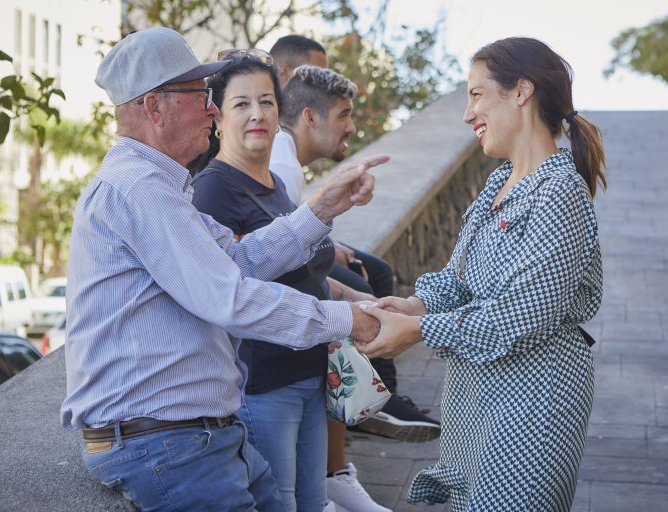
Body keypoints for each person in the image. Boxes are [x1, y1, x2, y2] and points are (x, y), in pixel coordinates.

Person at [62, 27, 387, 512]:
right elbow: (231, 297)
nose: (212, 108)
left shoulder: (159, 185)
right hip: (168, 447)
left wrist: (321, 208)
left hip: (191, 440)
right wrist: (347, 320)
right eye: (200, 95)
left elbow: (240, 260)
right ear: (153, 107)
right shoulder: (138, 188)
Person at [359, 37, 606, 511]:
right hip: (480, 396)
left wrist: (416, 330)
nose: (467, 113)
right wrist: (413, 305)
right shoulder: (499, 180)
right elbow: (459, 278)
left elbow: (521, 316)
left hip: (533, 403)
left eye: (476, 94)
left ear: (521, 92)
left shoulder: (560, 193)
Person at [188, 52, 373, 512]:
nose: (257, 114)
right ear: (217, 116)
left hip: (309, 373)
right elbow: (231, 287)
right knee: (280, 504)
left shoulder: (276, 186)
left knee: (311, 501)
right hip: (262, 383)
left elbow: (308, 275)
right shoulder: (213, 189)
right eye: (242, 103)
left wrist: (367, 301)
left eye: (267, 101)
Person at [270, 34, 441, 445]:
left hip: (291, 267)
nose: (351, 126)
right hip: (278, 309)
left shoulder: (287, 157)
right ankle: (368, 404)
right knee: (359, 290)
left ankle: (381, 398)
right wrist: (344, 291)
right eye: (344, 114)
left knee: (373, 273)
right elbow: (275, 254)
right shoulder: (281, 160)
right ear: (309, 115)